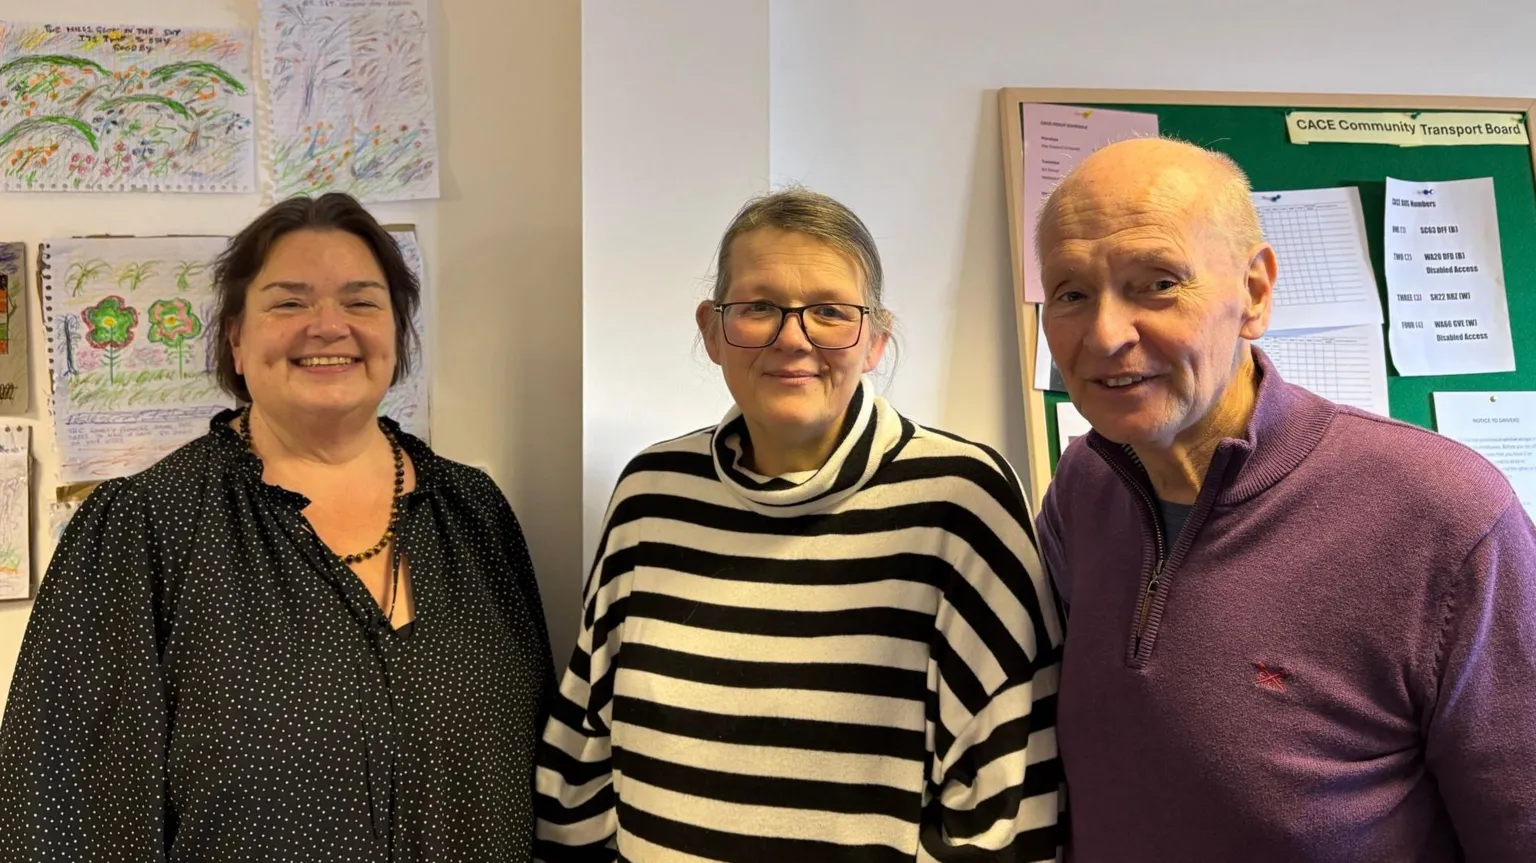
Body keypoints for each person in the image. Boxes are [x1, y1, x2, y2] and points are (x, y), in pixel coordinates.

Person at [0, 192, 554, 861]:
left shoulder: (474, 514)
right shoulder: (146, 528)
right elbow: (63, 817)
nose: (329, 326)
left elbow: (544, 776)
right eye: (290, 303)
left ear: (398, 333)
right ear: (236, 338)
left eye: (361, 302)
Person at [1034, 136, 1536, 861]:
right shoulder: (1084, 487)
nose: (1106, 335)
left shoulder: (1445, 515)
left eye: (1158, 283)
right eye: (1072, 293)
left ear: (1255, 293)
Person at [534, 189, 1064, 861]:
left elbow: (1007, 803)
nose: (792, 338)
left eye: (830, 311)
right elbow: (583, 748)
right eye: (758, 307)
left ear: (875, 340)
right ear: (712, 330)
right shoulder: (651, 492)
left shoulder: (960, 499)